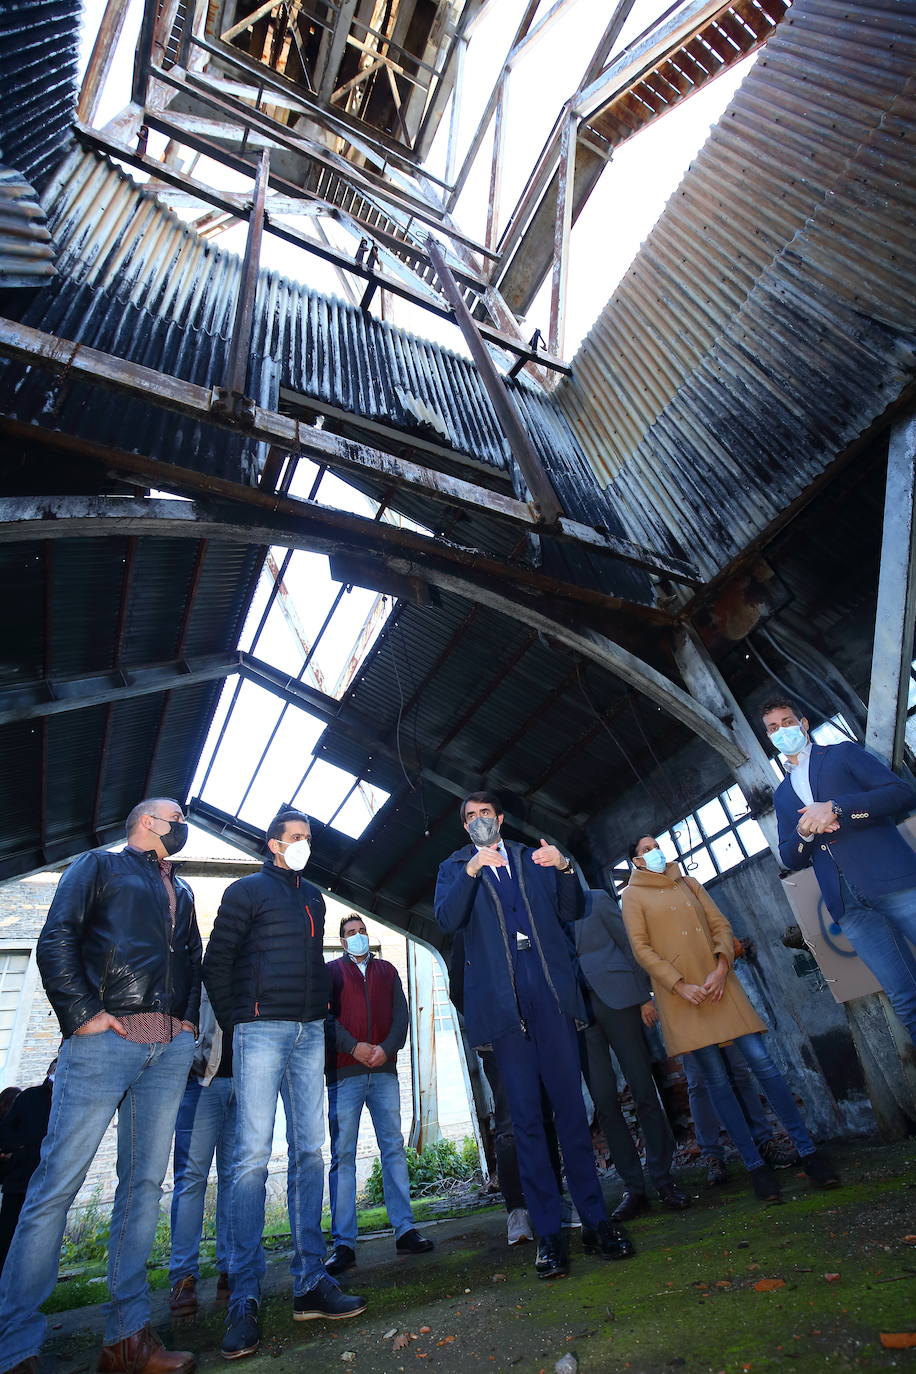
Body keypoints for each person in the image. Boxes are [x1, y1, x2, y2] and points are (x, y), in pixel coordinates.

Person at [0, 798, 201, 1374]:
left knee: (142, 1187)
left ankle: (127, 1339)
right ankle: (15, 1349)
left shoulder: (182, 891)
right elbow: (57, 938)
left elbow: (191, 956)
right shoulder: (97, 866)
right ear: (147, 822)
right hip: (104, 1041)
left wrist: (186, 1021)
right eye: (176, 817)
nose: (183, 825)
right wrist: (82, 1013)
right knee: (54, 1187)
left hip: (168, 1049)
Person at [435, 791, 635, 1280]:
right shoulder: (455, 868)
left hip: (550, 997)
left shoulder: (533, 857)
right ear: (465, 828)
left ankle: (596, 1221)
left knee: (571, 1113)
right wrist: (471, 871)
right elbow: (446, 918)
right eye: (470, 817)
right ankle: (547, 1235)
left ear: (500, 819)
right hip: (504, 1010)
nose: (479, 821)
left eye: (486, 814)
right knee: (526, 1122)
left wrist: (565, 867)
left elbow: (573, 909)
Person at [203, 809, 366, 1362]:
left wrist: (320, 1012)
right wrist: (237, 1020)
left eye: (308, 839)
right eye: (295, 838)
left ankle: (309, 1283)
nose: (304, 846)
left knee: (309, 1153)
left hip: (308, 1032)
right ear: (273, 844)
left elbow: (315, 963)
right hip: (261, 1031)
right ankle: (243, 1297)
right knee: (249, 1158)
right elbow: (217, 961)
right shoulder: (245, 891)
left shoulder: (314, 897)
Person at [621, 835, 839, 1202]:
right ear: (636, 861)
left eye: (656, 844)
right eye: (645, 849)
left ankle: (809, 1152)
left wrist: (723, 965)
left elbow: (719, 924)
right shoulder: (632, 896)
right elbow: (641, 948)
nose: (654, 851)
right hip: (684, 998)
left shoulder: (687, 882)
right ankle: (755, 1168)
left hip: (720, 986)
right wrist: (676, 985)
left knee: (763, 1065)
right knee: (717, 1082)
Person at [763, 698, 916, 1042]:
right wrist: (804, 831)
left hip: (894, 881)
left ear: (803, 724)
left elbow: (902, 793)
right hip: (848, 905)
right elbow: (790, 856)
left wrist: (837, 809)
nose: (781, 731)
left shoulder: (841, 755)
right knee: (905, 999)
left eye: (786, 722)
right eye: (773, 728)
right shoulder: (783, 795)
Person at [324, 914, 433, 1276]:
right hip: (345, 1073)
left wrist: (386, 1049)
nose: (357, 936)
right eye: (349, 933)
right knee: (343, 1156)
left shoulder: (388, 971)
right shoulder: (332, 973)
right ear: (342, 942)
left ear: (367, 935)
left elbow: (401, 1017)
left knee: (393, 1148)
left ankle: (405, 1229)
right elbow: (325, 1019)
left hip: (384, 1072)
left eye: (360, 931)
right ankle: (344, 1244)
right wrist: (353, 1047)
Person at [574, 888, 689, 1220]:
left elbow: (627, 943)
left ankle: (663, 1177)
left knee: (643, 1090)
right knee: (605, 1103)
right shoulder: (542, 912)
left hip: (622, 1000)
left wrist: (644, 995)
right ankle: (633, 1188)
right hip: (580, 1015)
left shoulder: (595, 899)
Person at [168, 988, 236, 1316]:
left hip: (245, 1086)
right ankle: (183, 1278)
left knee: (234, 1180)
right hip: (202, 1085)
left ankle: (230, 1268)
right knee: (191, 1179)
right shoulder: (204, 972)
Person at [682, 1045, 797, 1185]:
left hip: (725, 1023)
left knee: (738, 1071)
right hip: (686, 1027)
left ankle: (765, 1143)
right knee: (698, 1083)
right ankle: (712, 1156)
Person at [0, 1061, 56, 1274]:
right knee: (8, 1237)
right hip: (20, 1180)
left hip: (47, 1184)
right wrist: (18, 1150)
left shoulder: (69, 1102)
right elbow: (5, 1132)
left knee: (36, 1242)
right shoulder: (29, 1097)